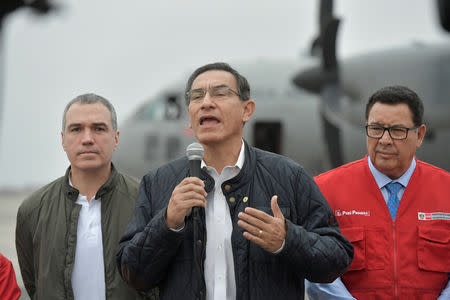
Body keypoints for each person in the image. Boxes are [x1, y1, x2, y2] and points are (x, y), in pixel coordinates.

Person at [116, 62, 354, 300]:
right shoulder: (158, 183)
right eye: (197, 96)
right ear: (189, 115)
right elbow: (134, 275)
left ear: (247, 110)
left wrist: (287, 240)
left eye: (220, 93)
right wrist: (168, 223)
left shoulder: (289, 177)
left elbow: (336, 259)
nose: (207, 102)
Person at [306, 85, 450, 299]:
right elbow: (314, 267)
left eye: (397, 131)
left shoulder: (446, 190)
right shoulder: (325, 190)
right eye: (376, 129)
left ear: (419, 135)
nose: (384, 140)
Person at [15, 94, 151, 300]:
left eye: (99, 128)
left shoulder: (147, 201)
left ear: (116, 138)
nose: (87, 139)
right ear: (63, 139)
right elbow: (35, 286)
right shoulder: (33, 210)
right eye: (76, 129)